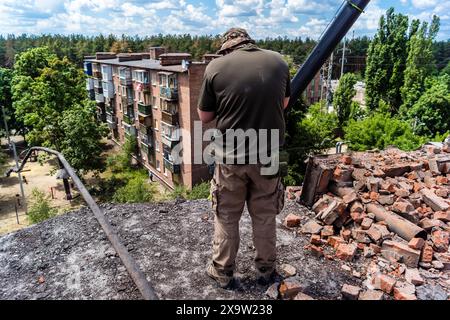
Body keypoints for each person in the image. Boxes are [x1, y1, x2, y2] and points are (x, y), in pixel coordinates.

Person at [197, 28, 291, 289]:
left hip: (231, 155)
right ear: (249, 42)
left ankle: (222, 271)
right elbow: (284, 103)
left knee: (226, 214)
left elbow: (205, 117)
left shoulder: (216, 67)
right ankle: (266, 270)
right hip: (272, 152)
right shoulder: (279, 61)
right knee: (265, 213)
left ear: (227, 48)